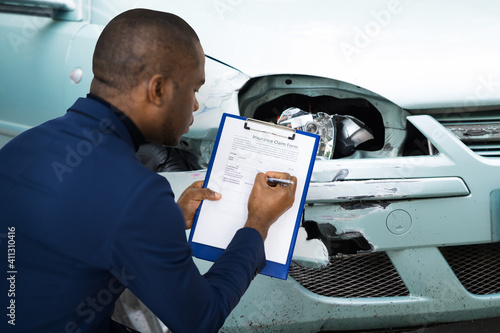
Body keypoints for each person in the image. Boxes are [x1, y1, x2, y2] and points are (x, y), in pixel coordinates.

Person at [0, 8, 296, 333]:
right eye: (194, 90)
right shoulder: (137, 193)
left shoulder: (22, 146)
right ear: (157, 90)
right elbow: (200, 319)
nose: (196, 105)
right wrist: (257, 226)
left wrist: (162, 221)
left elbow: (75, 238)